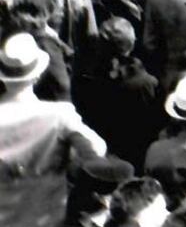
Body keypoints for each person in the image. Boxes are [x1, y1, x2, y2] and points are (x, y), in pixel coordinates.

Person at [0, 32, 108, 227]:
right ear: (38, 75)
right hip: (49, 217)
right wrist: (70, 161)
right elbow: (97, 149)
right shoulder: (59, 116)